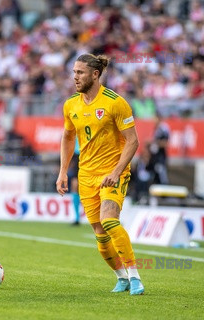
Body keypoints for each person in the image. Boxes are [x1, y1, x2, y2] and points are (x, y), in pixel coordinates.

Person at [56, 53, 144, 295]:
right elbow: (67, 136)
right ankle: (121, 277)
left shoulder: (116, 102)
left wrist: (117, 171)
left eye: (80, 72)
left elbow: (133, 141)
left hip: (112, 172)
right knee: (99, 233)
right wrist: (63, 172)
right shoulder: (70, 104)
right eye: (74, 72)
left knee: (109, 220)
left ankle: (135, 276)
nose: (75, 77)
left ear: (95, 74)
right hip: (86, 174)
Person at [149, 114, 170, 184]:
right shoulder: (156, 128)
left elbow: (165, 142)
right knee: (155, 176)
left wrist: (154, 142)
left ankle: (165, 191)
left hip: (160, 157)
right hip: (155, 157)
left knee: (162, 176)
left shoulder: (163, 128)